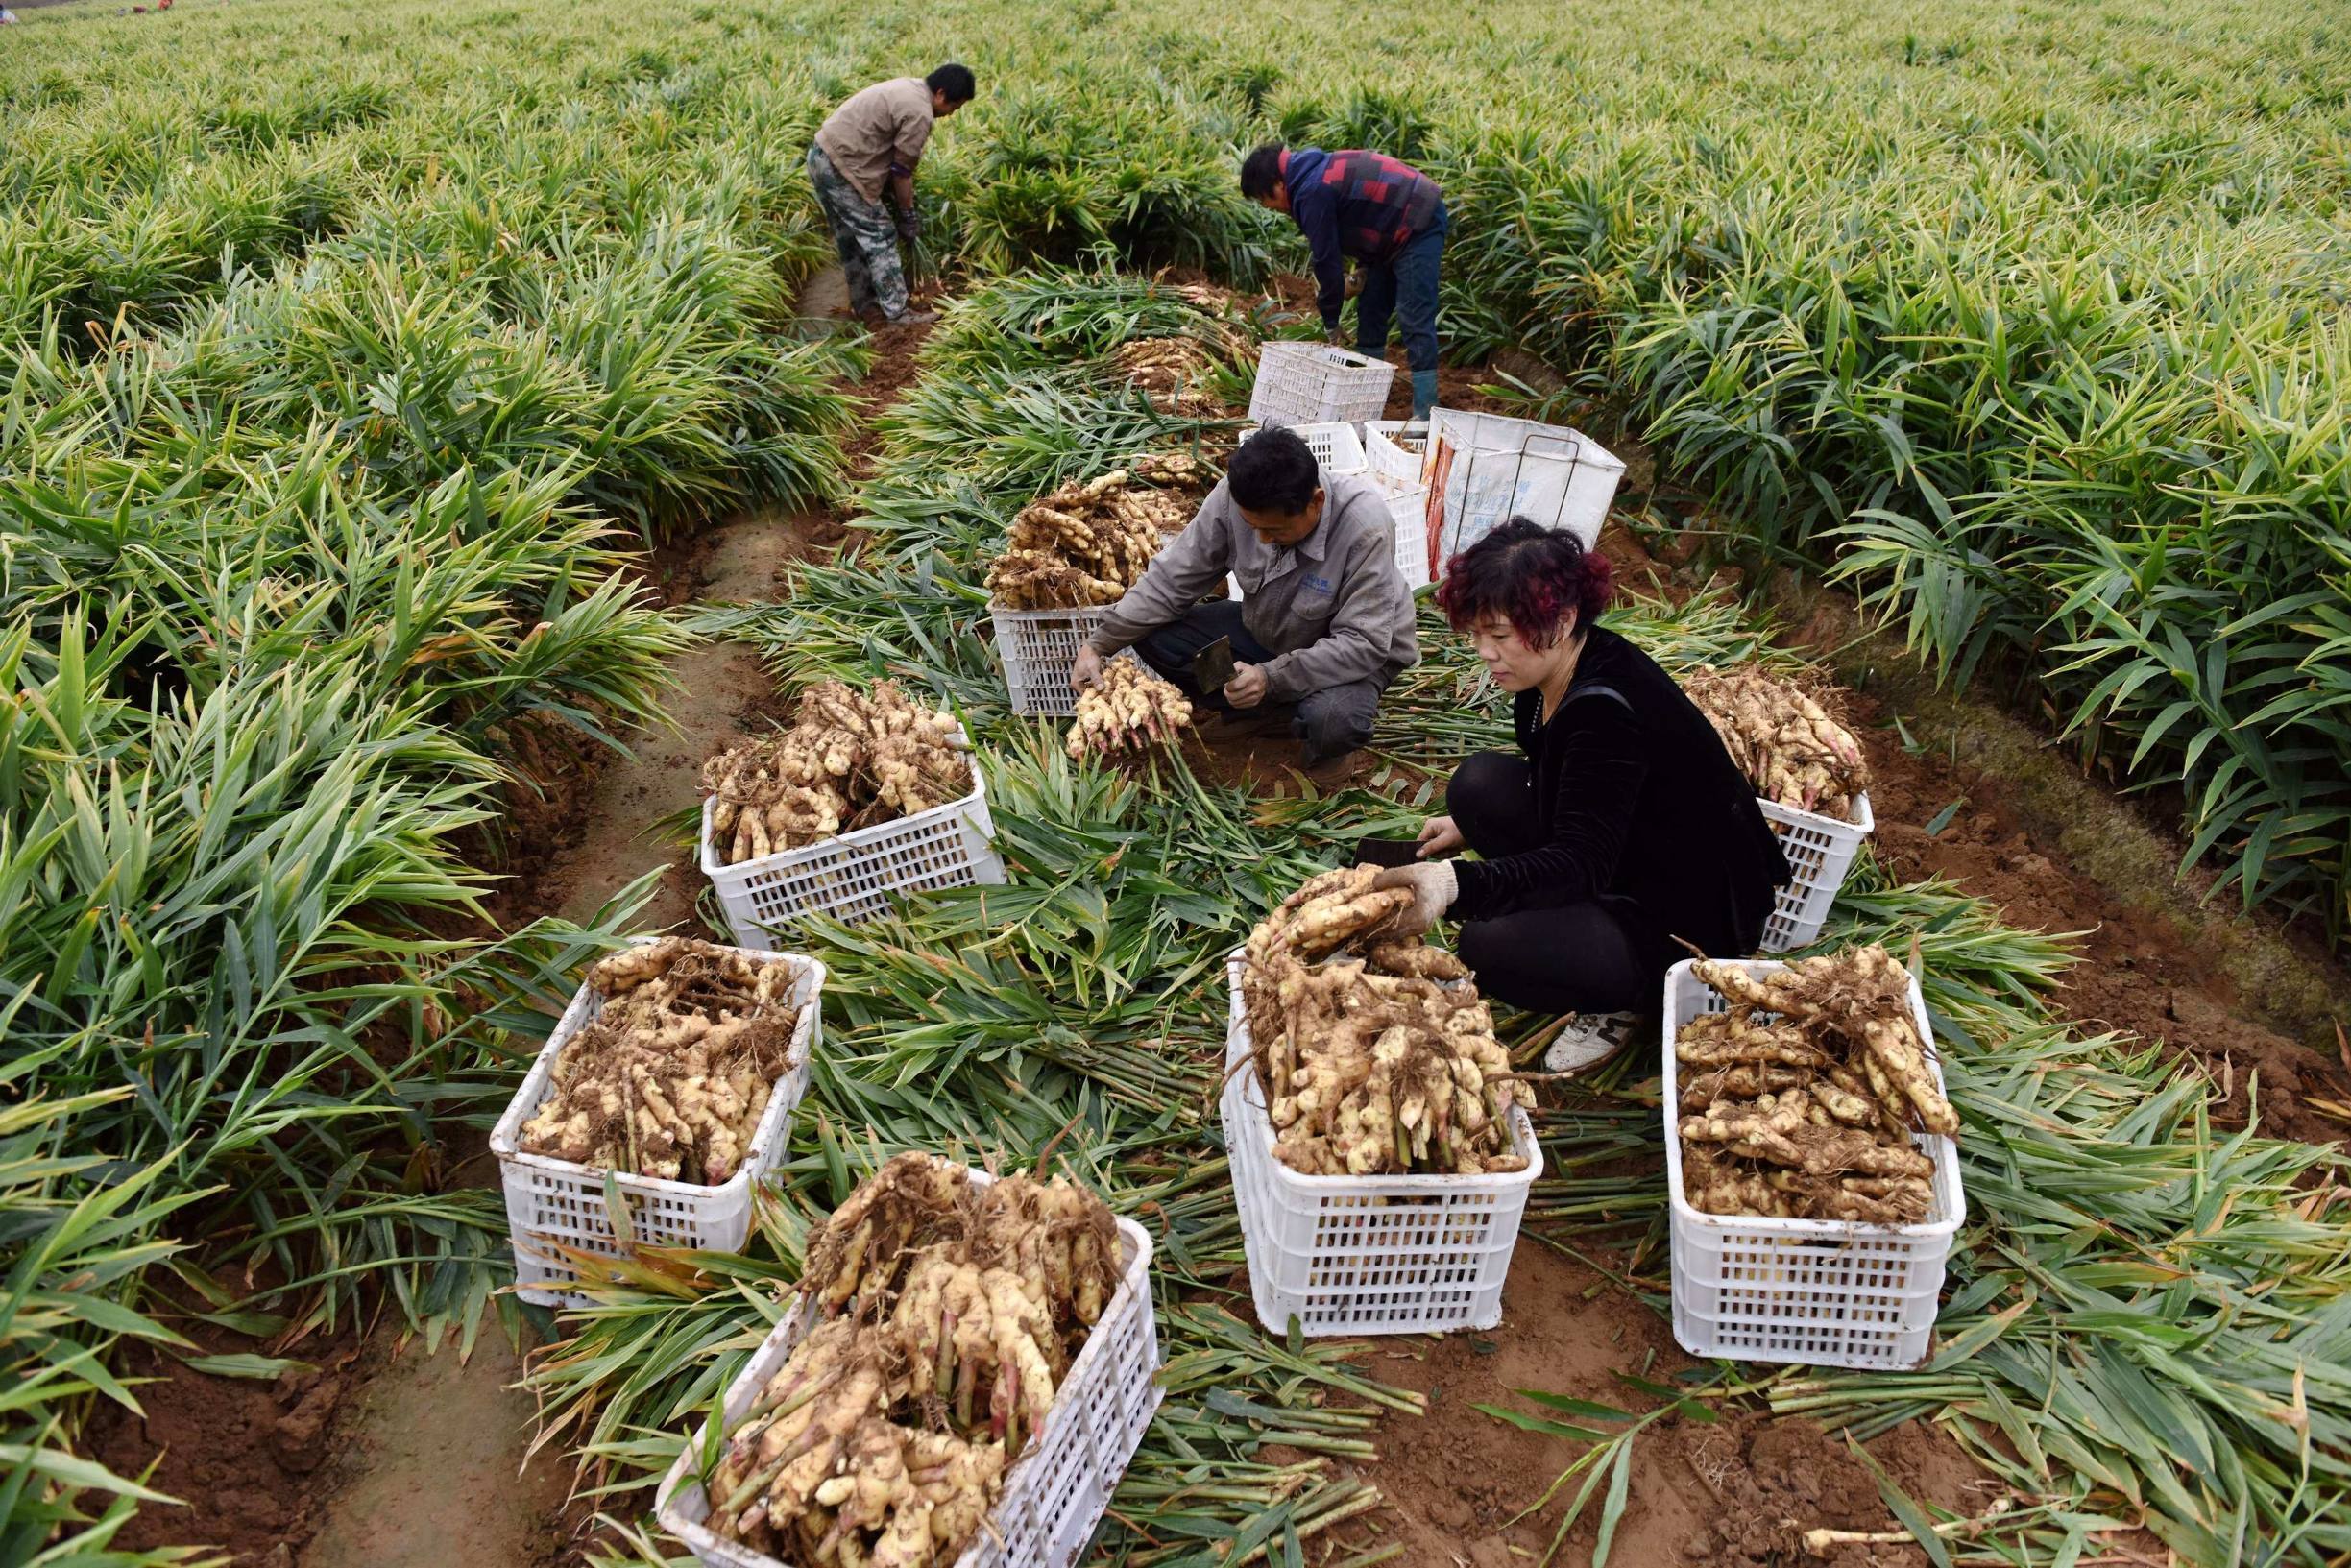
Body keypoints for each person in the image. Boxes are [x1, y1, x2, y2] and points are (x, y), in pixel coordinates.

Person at [1369, 519, 1790, 1073]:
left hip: (1686, 914)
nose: (1485, 653)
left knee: (1489, 945)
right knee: (1477, 788)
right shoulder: (1559, 668)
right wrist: (1470, 831)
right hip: (1630, 851)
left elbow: (1580, 862)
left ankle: (1625, 1001)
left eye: (1499, 636)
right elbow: (1569, 785)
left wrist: (1456, 883)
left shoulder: (1605, 713)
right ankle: (1575, 928)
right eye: (1477, 635)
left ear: (1562, 618)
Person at [1069, 427, 1418, 782]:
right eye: (1254, 528)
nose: (1263, 539)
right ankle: (1256, 713)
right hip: (1271, 633)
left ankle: (1324, 747)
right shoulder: (1233, 499)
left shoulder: (1364, 527)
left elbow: (1363, 644)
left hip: (1350, 658)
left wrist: (1271, 677)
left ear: (1316, 502)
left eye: (1276, 531)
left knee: (1332, 720)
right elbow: (1172, 579)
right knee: (1157, 633)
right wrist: (1100, 643)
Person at [1240, 143, 1448, 419]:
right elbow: (1364, 215)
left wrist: (1330, 318)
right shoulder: (1310, 175)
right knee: (1371, 309)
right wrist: (1361, 271)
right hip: (1387, 237)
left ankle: (1425, 412)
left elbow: (1326, 260)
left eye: (1262, 198)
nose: (1267, 206)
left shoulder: (1311, 190)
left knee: (1414, 314)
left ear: (1277, 184)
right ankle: (1365, 396)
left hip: (1418, 220)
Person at [809, 64, 975, 327]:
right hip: (842, 167)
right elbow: (901, 171)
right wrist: (907, 215)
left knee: (850, 237)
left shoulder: (910, 87)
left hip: (821, 155)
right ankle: (897, 314)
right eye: (953, 108)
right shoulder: (920, 113)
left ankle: (865, 305)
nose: (950, 114)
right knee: (881, 233)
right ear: (941, 94)